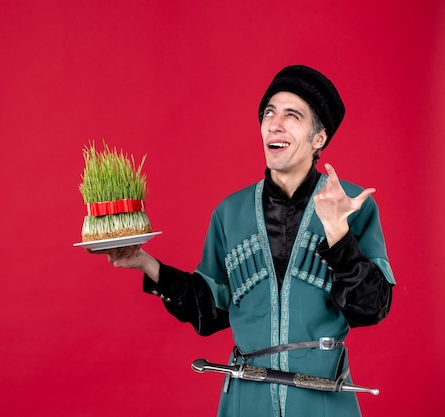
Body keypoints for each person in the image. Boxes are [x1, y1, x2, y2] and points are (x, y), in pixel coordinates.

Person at [92, 65, 395, 417]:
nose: (274, 124)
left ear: (319, 138)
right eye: (269, 113)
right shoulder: (229, 213)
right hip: (245, 400)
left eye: (291, 115)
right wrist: (145, 262)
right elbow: (210, 311)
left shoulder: (353, 205)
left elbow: (371, 309)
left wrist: (338, 234)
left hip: (323, 398)